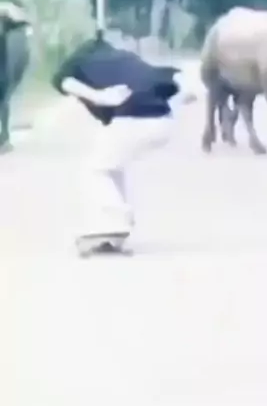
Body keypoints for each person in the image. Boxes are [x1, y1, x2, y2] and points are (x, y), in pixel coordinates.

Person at [52, 34, 198, 253]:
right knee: (112, 167)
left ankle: (116, 221)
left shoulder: (76, 61)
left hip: (131, 119)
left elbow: (63, 81)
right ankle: (118, 225)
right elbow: (173, 74)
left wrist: (98, 96)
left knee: (95, 170)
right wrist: (186, 91)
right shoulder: (126, 57)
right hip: (163, 123)